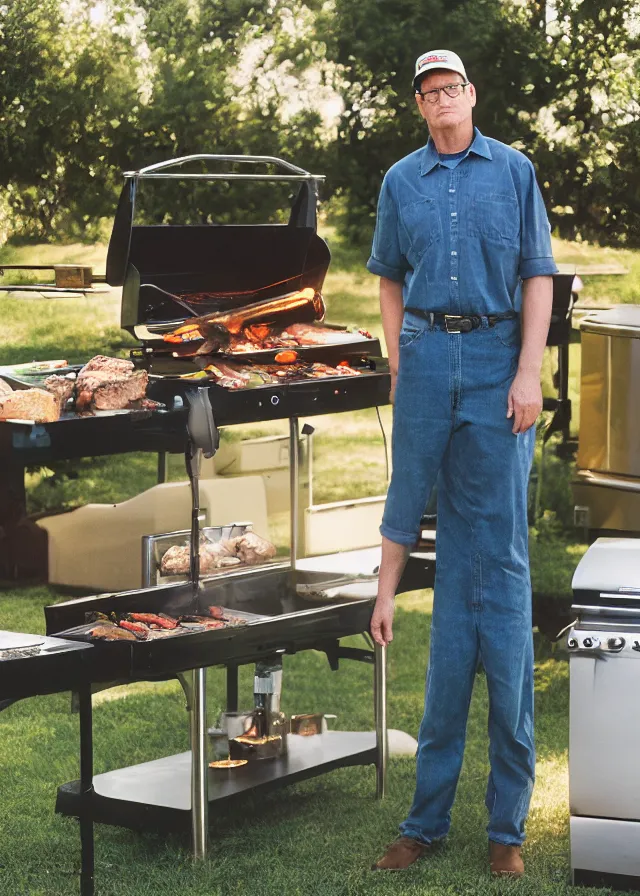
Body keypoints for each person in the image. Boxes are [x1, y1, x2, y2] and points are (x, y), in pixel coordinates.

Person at [367, 49, 557, 877]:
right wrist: (399, 358)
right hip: (426, 360)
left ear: (471, 95)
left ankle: (506, 833)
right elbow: (386, 278)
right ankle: (425, 822)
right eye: (428, 92)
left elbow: (537, 273)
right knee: (448, 622)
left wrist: (528, 370)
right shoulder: (400, 182)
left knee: (501, 585)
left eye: (453, 88)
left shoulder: (513, 171)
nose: (441, 100)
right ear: (419, 106)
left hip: (494, 362)